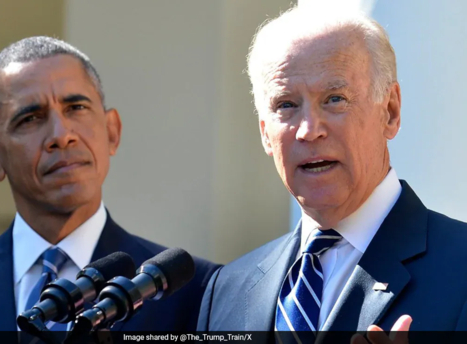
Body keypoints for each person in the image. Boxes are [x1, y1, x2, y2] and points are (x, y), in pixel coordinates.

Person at [0, 36, 220, 332]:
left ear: (112, 131)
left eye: (76, 108)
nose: (61, 134)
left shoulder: (198, 292)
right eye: (30, 118)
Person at [197, 6, 467, 344]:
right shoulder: (226, 290)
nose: (309, 131)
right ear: (265, 133)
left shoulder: (460, 266)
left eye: (335, 99)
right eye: (286, 105)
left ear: (391, 111)